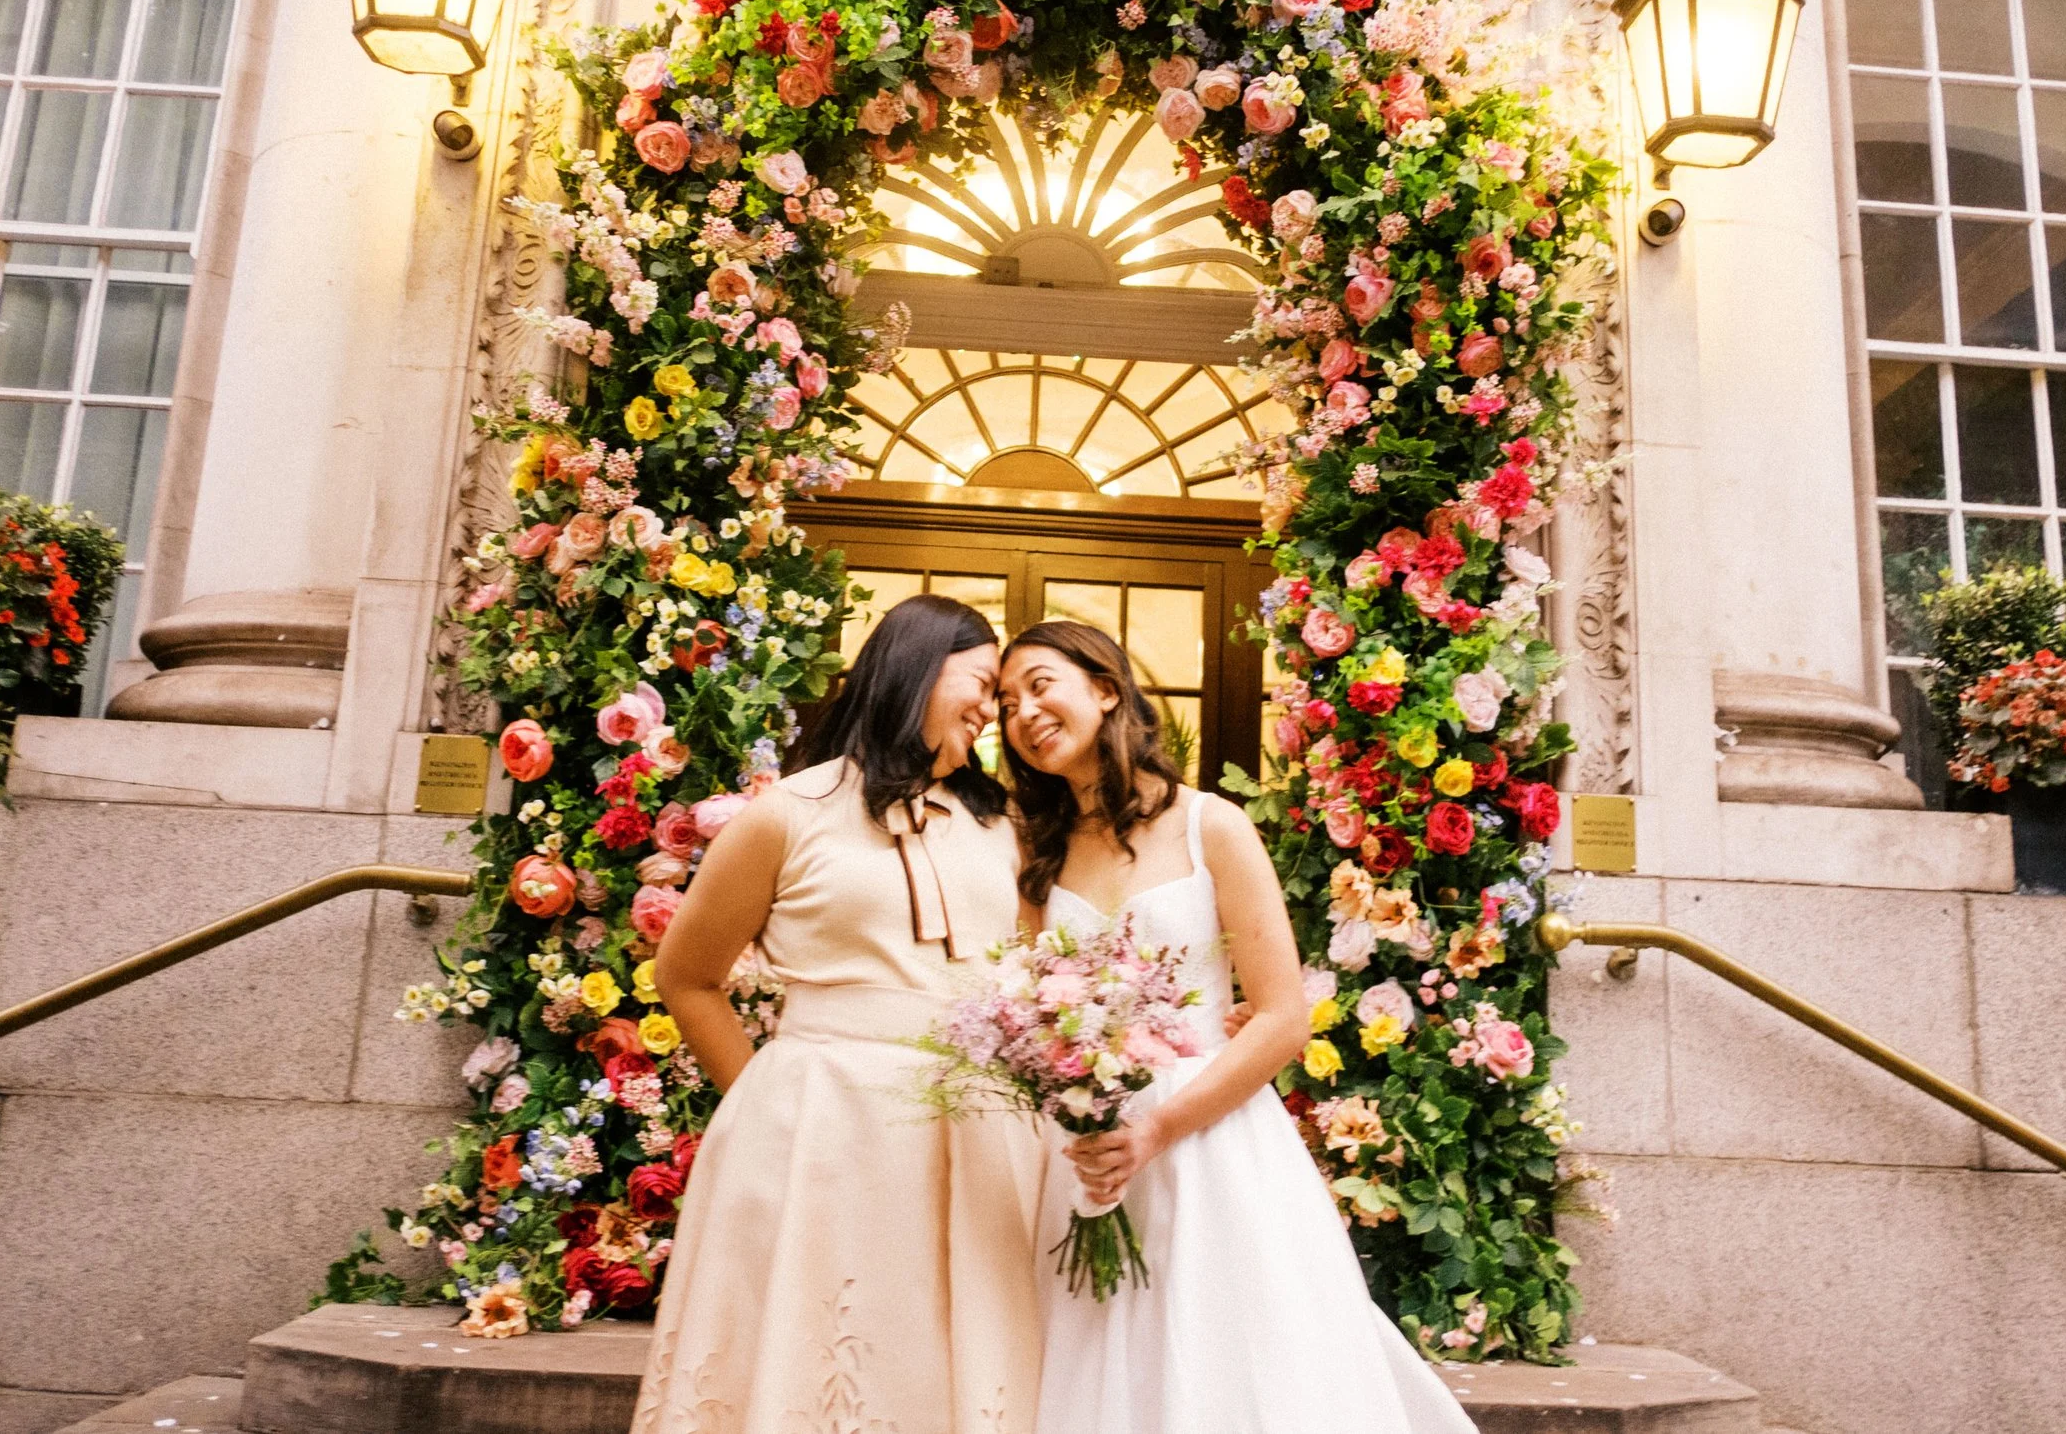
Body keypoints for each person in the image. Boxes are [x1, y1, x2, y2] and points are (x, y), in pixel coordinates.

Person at [998, 619, 1479, 1434]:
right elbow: (1027, 1005)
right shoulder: (1037, 855)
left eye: (1040, 685)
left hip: (1209, 1142)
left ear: (1106, 689)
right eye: (1008, 703)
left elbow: (1284, 1015)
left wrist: (1156, 1128)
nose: (1024, 714)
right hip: (1087, 1151)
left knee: (1229, 1364)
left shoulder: (1209, 824)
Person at [632, 594, 1045, 1434]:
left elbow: (1037, 977)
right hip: (819, 1136)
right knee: (815, 1346)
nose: (992, 710)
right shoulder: (787, 814)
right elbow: (687, 975)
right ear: (918, 666)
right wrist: (767, 1098)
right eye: (981, 683)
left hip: (977, 1137)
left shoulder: (1007, 825)